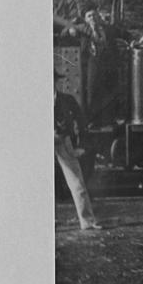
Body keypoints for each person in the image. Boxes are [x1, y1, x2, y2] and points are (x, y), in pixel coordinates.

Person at [54, 71, 101, 230]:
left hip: (63, 142)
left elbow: (81, 121)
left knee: (77, 182)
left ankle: (87, 221)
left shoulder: (67, 100)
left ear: (55, 82)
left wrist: (81, 144)